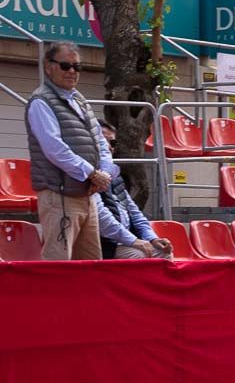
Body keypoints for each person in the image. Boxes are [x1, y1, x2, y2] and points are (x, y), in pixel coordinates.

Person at [24, 41, 119, 260]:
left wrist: (104, 173)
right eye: (66, 65)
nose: (72, 71)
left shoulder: (80, 100)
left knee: (91, 264)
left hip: (86, 195)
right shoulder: (41, 101)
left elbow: (100, 141)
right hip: (59, 197)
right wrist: (92, 173)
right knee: (58, 265)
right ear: (48, 66)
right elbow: (54, 149)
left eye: (77, 66)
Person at [92, 121, 173, 260]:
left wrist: (153, 239)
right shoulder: (88, 177)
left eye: (113, 143)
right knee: (140, 255)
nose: (108, 147)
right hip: (106, 244)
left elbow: (136, 214)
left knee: (164, 252)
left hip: (126, 241)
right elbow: (103, 221)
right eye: (102, 142)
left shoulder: (116, 177)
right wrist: (133, 241)